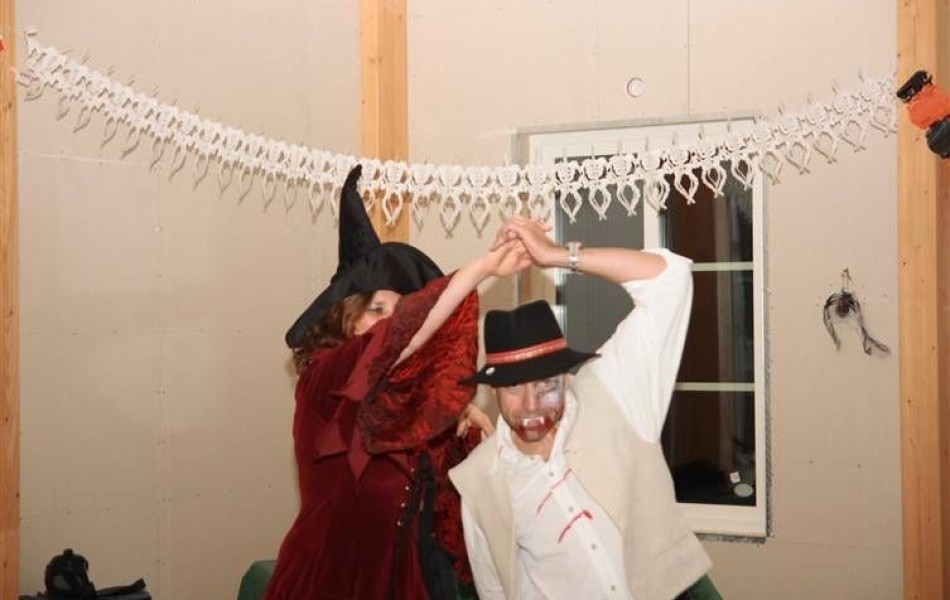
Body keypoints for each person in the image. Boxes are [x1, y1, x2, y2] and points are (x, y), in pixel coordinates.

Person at [264, 166, 528, 600]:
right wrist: (483, 267)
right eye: (377, 309)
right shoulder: (322, 379)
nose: (388, 321)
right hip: (331, 582)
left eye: (397, 309)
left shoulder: (411, 402)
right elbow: (397, 340)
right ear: (345, 318)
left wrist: (463, 425)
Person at [449, 216, 722, 600]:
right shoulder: (479, 480)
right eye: (512, 387)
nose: (530, 405)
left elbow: (669, 278)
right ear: (493, 390)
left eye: (546, 384)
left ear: (565, 376)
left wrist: (557, 255)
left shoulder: (615, 394)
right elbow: (497, 590)